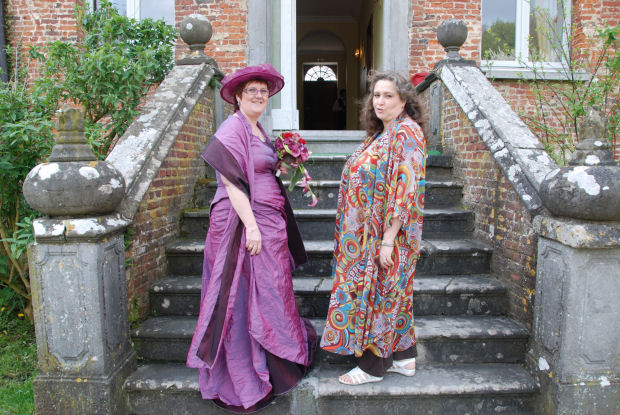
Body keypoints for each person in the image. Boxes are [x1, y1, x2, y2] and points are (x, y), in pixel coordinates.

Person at [186, 63, 316, 412]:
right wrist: (252, 227)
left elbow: (257, 168)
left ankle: (276, 359)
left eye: (263, 91)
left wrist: (280, 165)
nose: (259, 96)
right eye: (252, 91)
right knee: (242, 295)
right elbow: (231, 182)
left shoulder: (259, 130)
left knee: (270, 291)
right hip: (242, 223)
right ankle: (248, 372)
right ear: (238, 97)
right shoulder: (232, 128)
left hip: (270, 221)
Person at [320, 71, 426, 385]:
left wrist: (388, 240)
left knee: (382, 293)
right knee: (395, 294)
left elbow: (406, 190)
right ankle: (404, 357)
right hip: (366, 235)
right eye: (376, 95)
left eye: (388, 96)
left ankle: (372, 366)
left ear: (403, 100)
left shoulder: (407, 133)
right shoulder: (382, 133)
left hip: (387, 235)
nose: (380, 101)